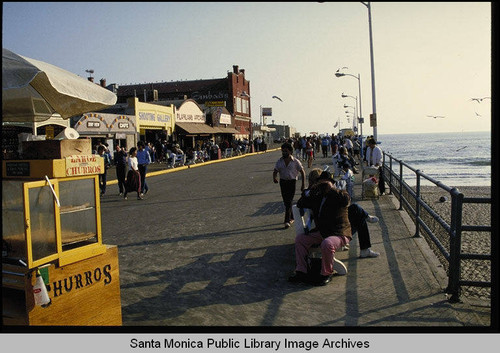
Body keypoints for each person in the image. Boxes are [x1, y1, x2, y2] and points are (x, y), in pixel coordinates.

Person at [289, 171, 352, 286]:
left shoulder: (340, 193)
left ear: (333, 184)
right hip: (322, 232)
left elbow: (346, 200)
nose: (324, 187)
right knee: (300, 240)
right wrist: (312, 190)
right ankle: (301, 271)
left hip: (339, 233)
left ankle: (326, 273)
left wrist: (331, 189)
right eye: (321, 184)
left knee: (327, 243)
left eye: (326, 184)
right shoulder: (317, 196)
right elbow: (300, 204)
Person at [273, 142, 306, 229]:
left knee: (289, 200)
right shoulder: (279, 161)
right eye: (282, 151)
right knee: (286, 201)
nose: (284, 153)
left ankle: (287, 220)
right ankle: (292, 216)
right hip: (283, 182)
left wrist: (303, 184)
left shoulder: (295, 161)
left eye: (286, 151)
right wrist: (274, 177)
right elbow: (275, 170)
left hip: (292, 182)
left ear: (290, 151)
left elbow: (302, 172)